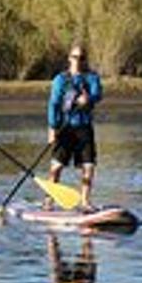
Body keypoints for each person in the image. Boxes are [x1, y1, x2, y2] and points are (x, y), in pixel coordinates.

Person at [45, 44, 104, 209]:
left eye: (81, 58)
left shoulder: (91, 78)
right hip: (65, 128)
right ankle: (49, 199)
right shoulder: (61, 80)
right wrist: (52, 128)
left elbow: (98, 94)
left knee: (89, 166)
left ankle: (85, 201)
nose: (78, 61)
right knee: (56, 167)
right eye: (75, 57)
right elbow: (54, 104)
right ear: (69, 58)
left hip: (84, 128)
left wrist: (89, 99)